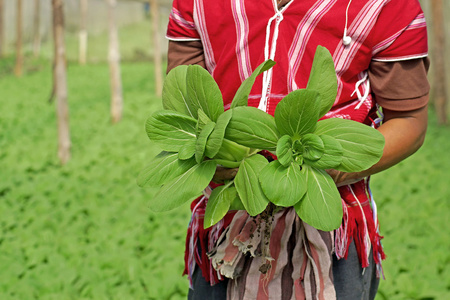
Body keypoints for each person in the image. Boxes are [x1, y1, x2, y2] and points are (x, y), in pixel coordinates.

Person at [165, 0, 430, 299]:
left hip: (333, 224)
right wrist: (216, 155)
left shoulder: (386, 5)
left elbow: (409, 119)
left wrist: (334, 167)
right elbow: (185, 99)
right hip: (224, 227)